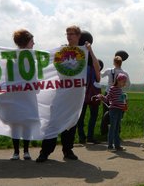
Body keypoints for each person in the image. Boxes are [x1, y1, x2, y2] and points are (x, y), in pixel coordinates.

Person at [36, 25, 101, 163]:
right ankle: (45, 152)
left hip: (75, 97)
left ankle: (68, 150)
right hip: (60, 94)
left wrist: (90, 50)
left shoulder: (84, 53)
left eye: (72, 34)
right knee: (53, 123)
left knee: (71, 124)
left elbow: (97, 70)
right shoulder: (62, 50)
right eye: (67, 33)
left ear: (78, 36)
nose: (69, 36)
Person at [9, 29, 35, 160]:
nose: (34, 43)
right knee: (16, 123)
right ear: (26, 42)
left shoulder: (33, 58)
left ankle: (25, 150)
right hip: (16, 95)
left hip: (28, 95)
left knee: (26, 122)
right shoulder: (12, 57)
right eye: (32, 41)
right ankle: (16, 151)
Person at [100, 53, 131, 136]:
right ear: (121, 62)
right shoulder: (124, 73)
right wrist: (121, 87)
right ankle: (117, 132)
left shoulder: (109, 70)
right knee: (119, 113)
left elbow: (101, 75)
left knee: (106, 113)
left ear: (114, 62)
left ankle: (104, 132)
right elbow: (128, 84)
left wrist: (98, 68)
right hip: (119, 94)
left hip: (109, 92)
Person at [98, 70, 128, 151]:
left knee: (117, 128)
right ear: (118, 80)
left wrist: (124, 101)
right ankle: (110, 146)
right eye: (123, 81)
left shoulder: (121, 90)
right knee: (112, 128)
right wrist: (101, 97)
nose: (124, 83)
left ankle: (117, 146)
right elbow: (107, 99)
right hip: (113, 110)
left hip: (119, 111)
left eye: (125, 82)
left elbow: (121, 101)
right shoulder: (113, 88)